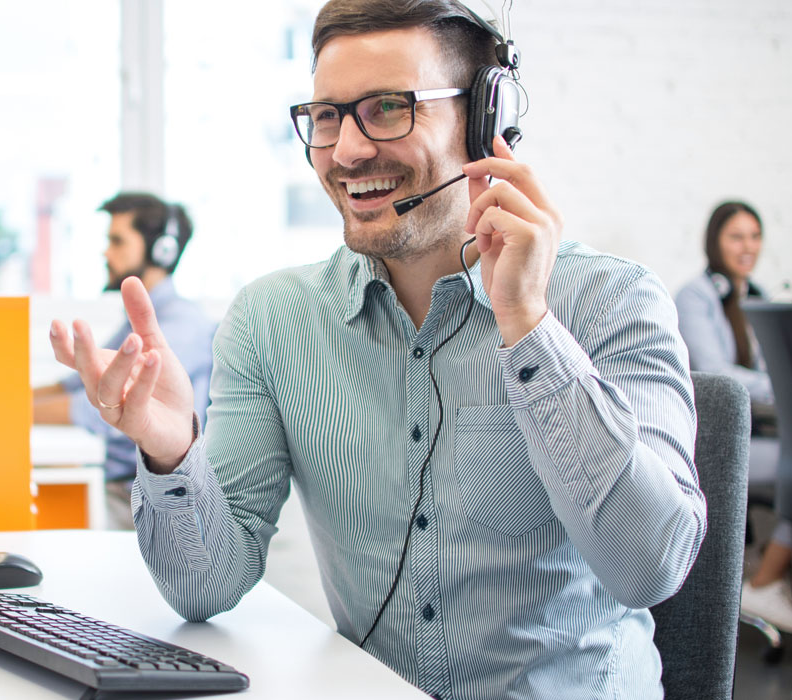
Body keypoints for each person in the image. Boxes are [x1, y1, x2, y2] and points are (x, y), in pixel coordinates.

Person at [49, 2, 705, 697]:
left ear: (484, 122)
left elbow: (650, 570)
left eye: (389, 107)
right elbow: (204, 587)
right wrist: (170, 449)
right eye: (327, 116)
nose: (349, 150)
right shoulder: (274, 321)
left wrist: (528, 326)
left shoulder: (613, 301)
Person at [33, 192, 215, 530]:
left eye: (117, 241)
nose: (106, 252)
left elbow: (100, 408)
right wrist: (7, 400)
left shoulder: (179, 327)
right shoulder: (139, 319)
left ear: (162, 251)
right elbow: (77, 382)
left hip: (144, 498)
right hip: (116, 484)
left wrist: (5, 414)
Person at [674, 202, 792, 630]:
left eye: (755, 236)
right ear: (715, 242)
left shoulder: (756, 297)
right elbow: (718, 376)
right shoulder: (697, 296)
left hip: (757, 432)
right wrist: (785, 380)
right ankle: (765, 581)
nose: (748, 247)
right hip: (714, 444)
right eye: (736, 236)